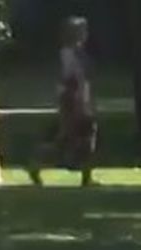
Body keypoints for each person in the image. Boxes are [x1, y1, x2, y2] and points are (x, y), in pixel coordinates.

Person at [27, 16, 97, 187]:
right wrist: (76, 100)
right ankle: (36, 165)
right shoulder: (68, 53)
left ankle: (85, 177)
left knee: (85, 138)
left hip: (80, 100)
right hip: (73, 101)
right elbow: (69, 78)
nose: (85, 34)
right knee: (68, 138)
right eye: (82, 31)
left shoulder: (79, 53)